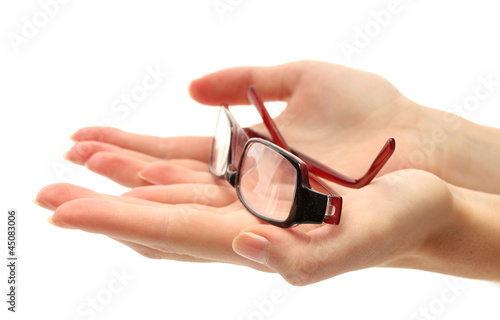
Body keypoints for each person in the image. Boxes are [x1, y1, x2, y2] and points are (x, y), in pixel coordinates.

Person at [34, 60, 500, 286]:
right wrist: (444, 139)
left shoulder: (328, 206)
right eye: (238, 144)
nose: (239, 169)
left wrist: (446, 229)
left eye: (252, 154)